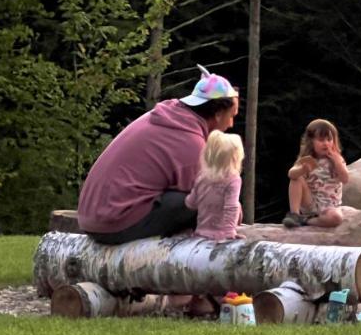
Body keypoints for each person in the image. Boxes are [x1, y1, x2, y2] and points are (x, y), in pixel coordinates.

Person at [77, 67, 239, 244]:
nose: (231, 124)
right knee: (204, 198)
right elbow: (215, 198)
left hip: (94, 217)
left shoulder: (166, 117)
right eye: (231, 116)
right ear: (218, 114)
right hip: (114, 224)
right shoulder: (190, 144)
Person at [283, 119, 350, 228]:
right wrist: (302, 169)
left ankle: (306, 221)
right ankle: (295, 215)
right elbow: (291, 174)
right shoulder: (307, 160)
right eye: (321, 140)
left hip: (329, 206)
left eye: (329, 139)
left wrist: (337, 162)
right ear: (311, 141)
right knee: (296, 178)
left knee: (336, 218)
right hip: (310, 202)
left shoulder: (337, 160)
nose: (326, 143)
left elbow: (345, 179)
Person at [185, 131, 245, 241]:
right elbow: (231, 207)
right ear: (236, 158)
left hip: (200, 233)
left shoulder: (202, 177)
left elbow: (191, 203)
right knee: (237, 205)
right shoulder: (233, 179)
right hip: (221, 235)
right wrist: (229, 232)